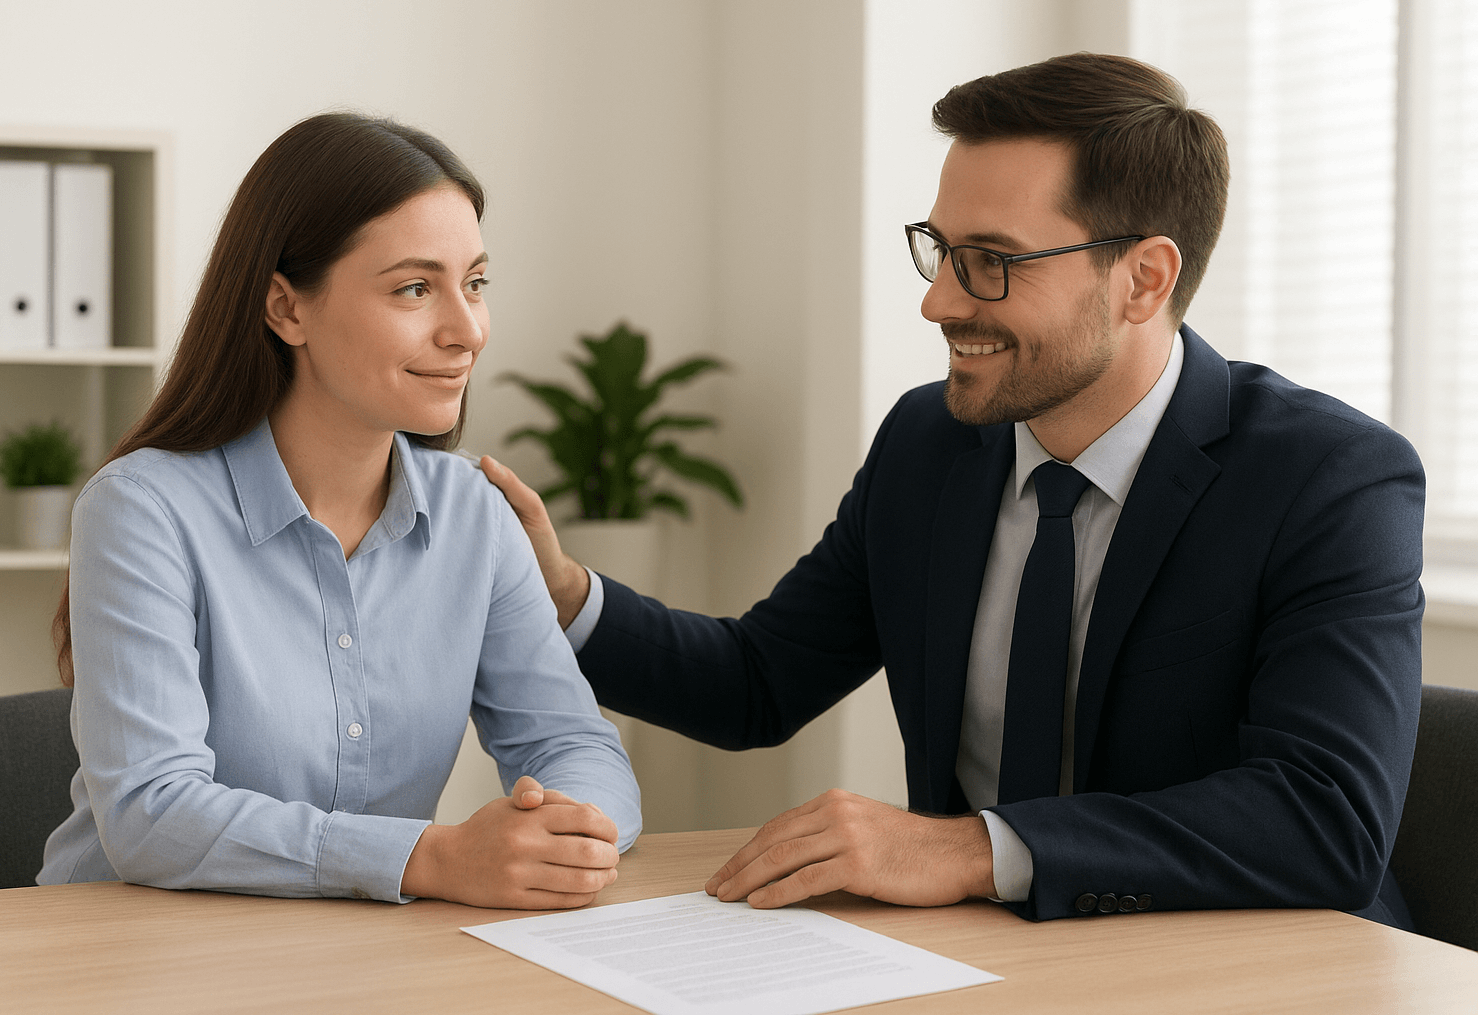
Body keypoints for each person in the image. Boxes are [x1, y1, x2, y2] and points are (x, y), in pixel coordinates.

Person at [482, 54, 1424, 926]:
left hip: (1249, 974)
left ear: (1144, 278)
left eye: (993, 262)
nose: (939, 300)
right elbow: (758, 684)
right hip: (978, 961)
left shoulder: (1330, 480)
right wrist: (564, 595)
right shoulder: (930, 444)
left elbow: (1325, 818)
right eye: (940, 249)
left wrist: (973, 848)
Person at [39, 113, 640, 908]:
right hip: (124, 950)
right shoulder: (143, 510)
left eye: (477, 283)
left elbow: (570, 741)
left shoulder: (477, 517)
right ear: (287, 309)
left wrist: (566, 830)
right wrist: (429, 858)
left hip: (349, 955)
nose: (468, 330)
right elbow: (152, 812)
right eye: (415, 289)